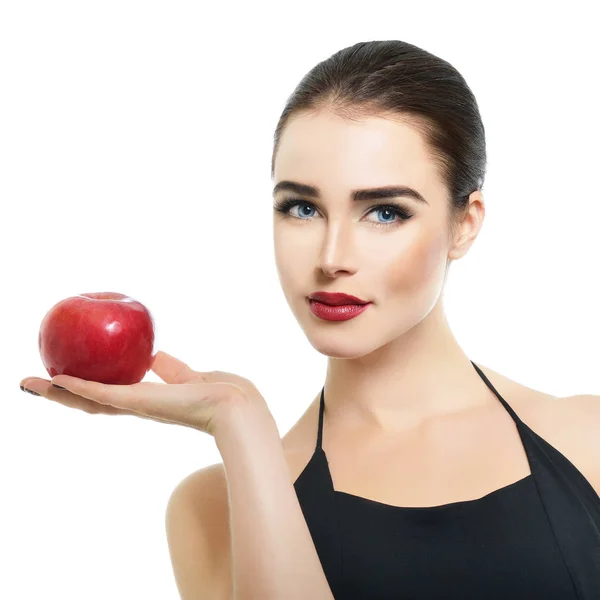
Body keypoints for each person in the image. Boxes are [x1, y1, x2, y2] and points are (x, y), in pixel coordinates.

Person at [19, 40, 600, 599]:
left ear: (464, 224)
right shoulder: (210, 509)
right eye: (302, 208)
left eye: (383, 212)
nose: (330, 258)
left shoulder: (589, 441)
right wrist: (240, 425)